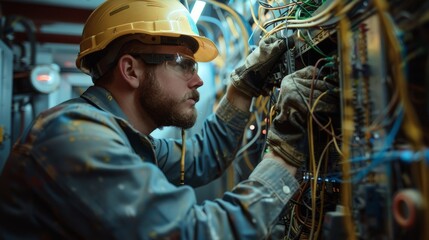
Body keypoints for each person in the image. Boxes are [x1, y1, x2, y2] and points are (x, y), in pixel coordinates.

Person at [0, 0, 337, 239]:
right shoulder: (75, 137)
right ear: (131, 70)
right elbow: (198, 233)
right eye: (183, 63)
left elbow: (204, 158)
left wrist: (240, 87)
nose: (199, 79)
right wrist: (286, 153)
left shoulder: (124, 138)